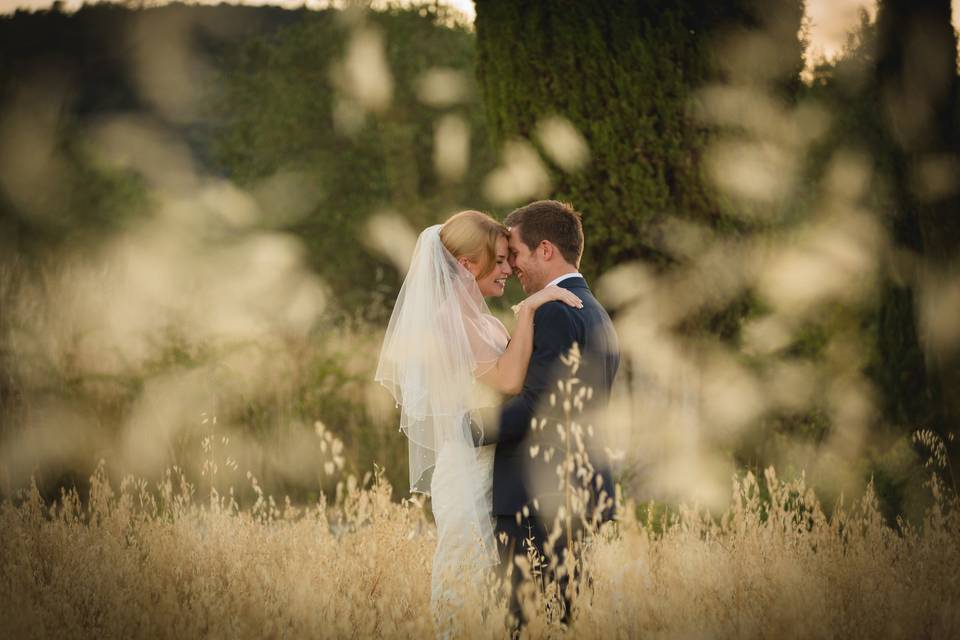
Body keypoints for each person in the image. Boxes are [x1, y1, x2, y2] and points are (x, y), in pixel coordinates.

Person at [374, 209, 582, 637]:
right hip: (469, 471)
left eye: (509, 258)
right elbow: (508, 378)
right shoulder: (447, 320)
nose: (509, 269)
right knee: (465, 582)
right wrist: (529, 312)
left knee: (495, 593)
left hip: (496, 467)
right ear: (468, 265)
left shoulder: (483, 320)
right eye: (500, 259)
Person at [479, 200, 620, 628]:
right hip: (571, 491)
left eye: (516, 253)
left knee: (524, 622)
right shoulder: (593, 309)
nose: (513, 265)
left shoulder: (558, 311)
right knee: (562, 620)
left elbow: (538, 407)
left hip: (538, 498)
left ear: (545, 249)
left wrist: (464, 428)